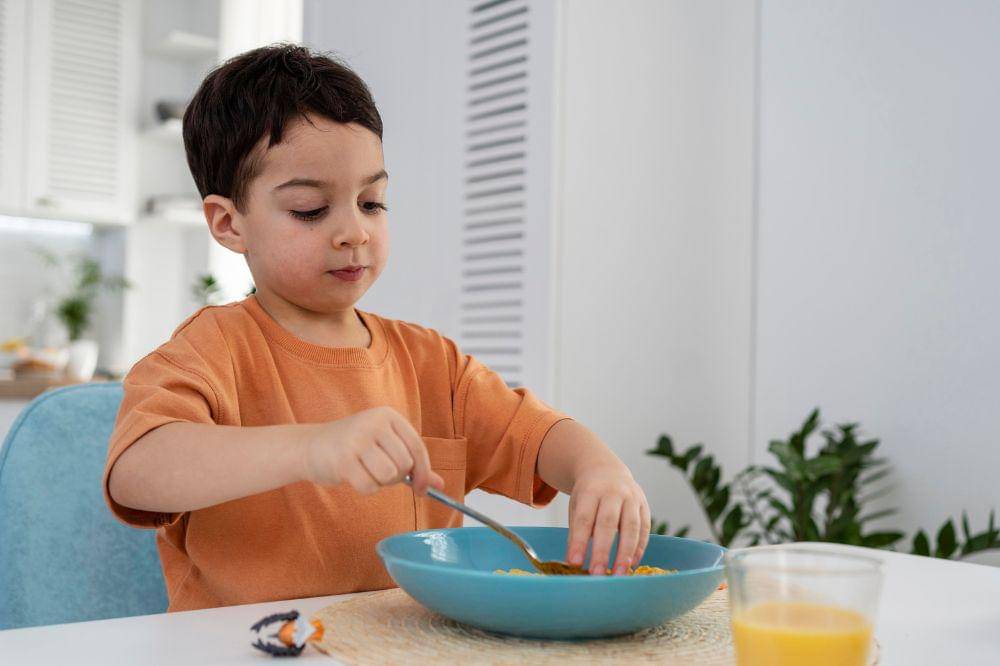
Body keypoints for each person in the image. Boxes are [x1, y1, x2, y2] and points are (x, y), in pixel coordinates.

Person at [104, 45, 650, 611]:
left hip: (401, 642)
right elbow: (136, 473)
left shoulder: (431, 363)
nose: (353, 232)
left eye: (371, 202)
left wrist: (597, 468)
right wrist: (312, 448)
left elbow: (534, 434)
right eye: (311, 210)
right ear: (228, 223)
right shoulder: (211, 349)